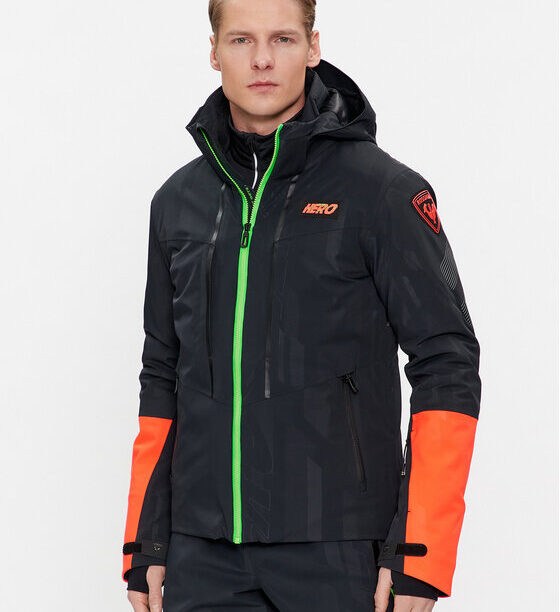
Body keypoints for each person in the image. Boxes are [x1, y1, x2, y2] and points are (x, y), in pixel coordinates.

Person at [121, 0, 482, 610]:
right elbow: (161, 373)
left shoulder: (383, 193)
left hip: (338, 549)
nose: (262, 59)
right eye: (241, 40)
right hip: (202, 554)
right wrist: (145, 541)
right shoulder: (177, 202)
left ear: (313, 47)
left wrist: (421, 552)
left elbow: (447, 362)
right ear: (214, 52)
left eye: (283, 39)